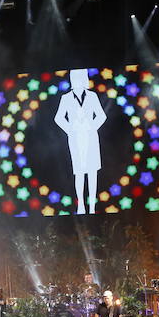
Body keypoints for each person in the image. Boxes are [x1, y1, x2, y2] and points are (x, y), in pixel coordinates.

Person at [54, 68, 108, 214]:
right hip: (76, 138)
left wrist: (92, 127)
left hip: (90, 137)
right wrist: (70, 129)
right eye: (75, 78)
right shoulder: (66, 98)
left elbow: (102, 116)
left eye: (80, 78)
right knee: (79, 172)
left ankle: (92, 206)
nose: (77, 81)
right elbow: (58, 118)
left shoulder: (92, 97)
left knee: (92, 172)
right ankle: (81, 205)